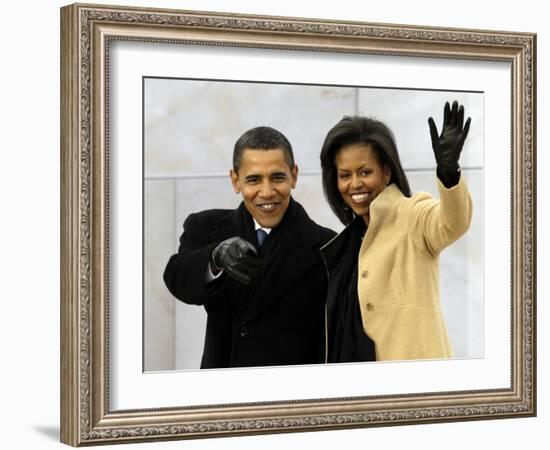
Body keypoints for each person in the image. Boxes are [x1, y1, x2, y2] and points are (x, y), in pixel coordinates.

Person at [164, 126, 336, 369]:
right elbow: (177, 278)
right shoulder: (205, 227)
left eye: (277, 177)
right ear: (235, 180)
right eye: (254, 179)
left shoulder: (329, 246)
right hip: (224, 393)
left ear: (294, 176)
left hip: (293, 397)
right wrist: (215, 258)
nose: (266, 192)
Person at [319, 101, 473, 362]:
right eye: (345, 175)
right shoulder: (348, 242)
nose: (354, 184)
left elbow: (451, 223)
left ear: (386, 172)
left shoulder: (412, 215)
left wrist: (448, 172)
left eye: (365, 172)